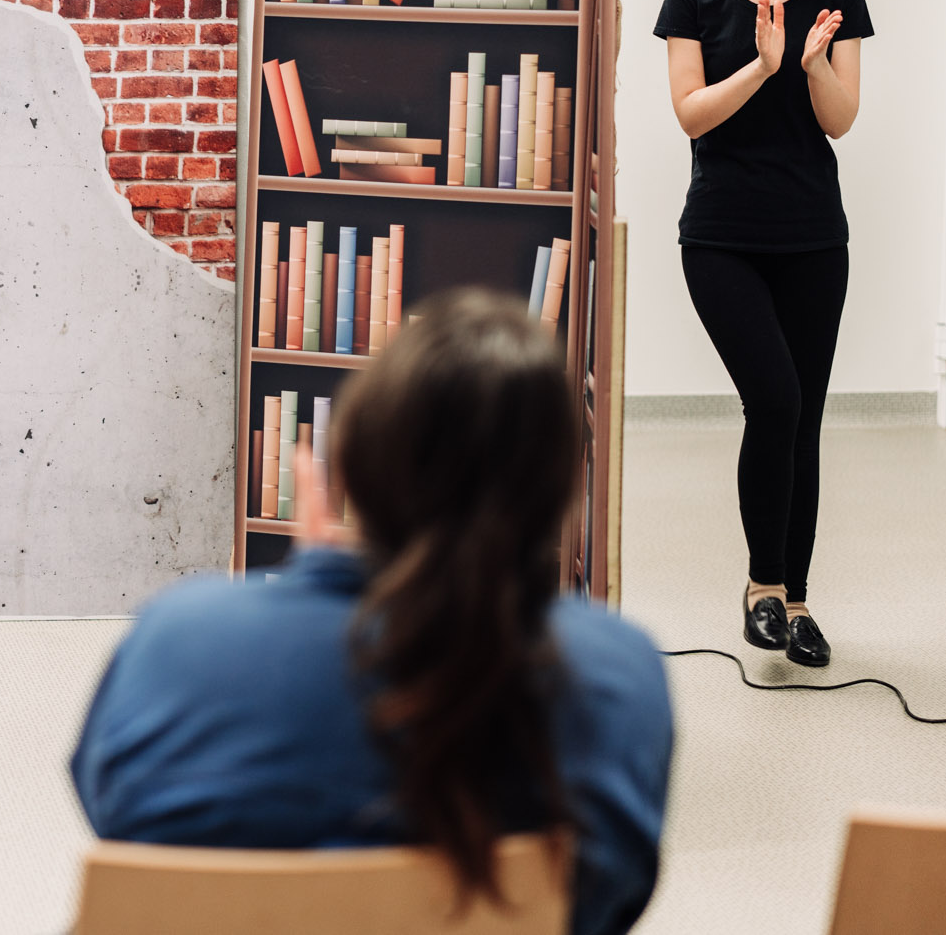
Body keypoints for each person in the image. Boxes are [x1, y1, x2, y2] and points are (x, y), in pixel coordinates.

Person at [70, 290, 671, 935]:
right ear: (562, 492)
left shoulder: (179, 640)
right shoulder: (617, 676)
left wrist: (310, 588)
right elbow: (613, 898)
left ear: (351, 465)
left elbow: (114, 813)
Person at [654, 0, 871, 669]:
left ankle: (797, 602)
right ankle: (761, 589)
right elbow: (690, 114)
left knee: (803, 418)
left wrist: (813, 67)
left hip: (814, 235)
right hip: (720, 236)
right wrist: (762, 64)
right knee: (774, 401)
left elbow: (840, 120)